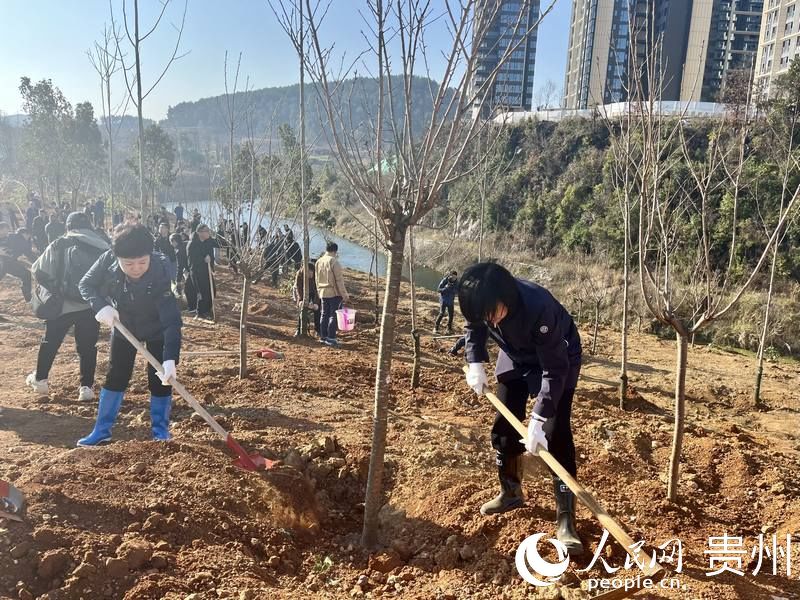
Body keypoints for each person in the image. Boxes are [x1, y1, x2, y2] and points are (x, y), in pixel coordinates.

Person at [459, 262, 584, 556]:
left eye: (494, 314)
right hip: (515, 355)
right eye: (485, 317)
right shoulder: (484, 304)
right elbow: (474, 326)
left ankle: (566, 520)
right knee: (504, 426)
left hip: (558, 359)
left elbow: (554, 370)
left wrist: (539, 419)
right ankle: (511, 492)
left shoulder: (538, 307)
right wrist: (475, 362)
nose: (490, 321)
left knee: (556, 435)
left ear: (507, 299)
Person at [77, 223, 182, 446]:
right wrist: (101, 307)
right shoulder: (107, 260)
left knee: (160, 380)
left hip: (156, 330)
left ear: (150, 256)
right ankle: (102, 430)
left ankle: (160, 433)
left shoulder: (161, 269)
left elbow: (171, 320)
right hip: (124, 326)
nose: (136, 268)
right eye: (128, 264)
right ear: (117, 258)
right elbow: (85, 284)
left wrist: (170, 358)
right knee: (116, 376)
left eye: (142, 262)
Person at [26, 212, 110, 401]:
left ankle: (40, 380)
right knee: (88, 347)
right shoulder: (104, 246)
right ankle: (86, 388)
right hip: (91, 305)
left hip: (61, 306)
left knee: (50, 342)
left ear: (68, 226)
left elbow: (37, 269)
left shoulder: (60, 243)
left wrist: (54, 288)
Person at [315, 241, 350, 348]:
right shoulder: (334, 262)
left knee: (324, 314)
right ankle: (331, 338)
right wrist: (344, 294)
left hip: (322, 292)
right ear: (335, 251)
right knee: (333, 315)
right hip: (334, 292)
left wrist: (319, 291)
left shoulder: (319, 261)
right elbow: (339, 280)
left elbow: (316, 279)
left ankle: (323, 336)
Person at [186, 224, 217, 320]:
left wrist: (211, 267)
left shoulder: (207, 242)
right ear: (199, 232)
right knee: (201, 292)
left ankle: (208, 310)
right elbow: (192, 261)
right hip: (196, 272)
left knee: (212, 290)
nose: (208, 232)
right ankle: (200, 312)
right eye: (206, 231)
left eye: (208, 230)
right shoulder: (192, 244)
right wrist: (204, 259)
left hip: (206, 271)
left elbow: (218, 244)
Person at [0, 224, 35, 301]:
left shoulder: (20, 240)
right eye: (28, 235)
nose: (29, 238)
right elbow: (29, 254)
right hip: (3, 262)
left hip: (10, 264)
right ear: (24, 234)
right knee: (26, 274)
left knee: (26, 274)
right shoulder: (15, 237)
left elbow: (28, 253)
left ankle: (28, 297)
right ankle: (28, 297)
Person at [293, 261, 320, 338]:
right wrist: (301, 300)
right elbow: (298, 288)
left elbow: (317, 290)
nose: (310, 275)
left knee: (317, 310)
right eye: (308, 273)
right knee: (302, 309)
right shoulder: (300, 274)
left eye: (311, 273)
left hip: (313, 292)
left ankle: (318, 330)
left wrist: (315, 303)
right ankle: (299, 329)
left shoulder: (317, 275)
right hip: (303, 292)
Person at [170, 233, 189, 298]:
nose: (171, 244)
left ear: (175, 241)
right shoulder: (187, 243)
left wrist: (178, 280)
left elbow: (180, 266)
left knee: (189, 289)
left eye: (171, 242)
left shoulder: (179, 251)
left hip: (191, 270)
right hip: (200, 267)